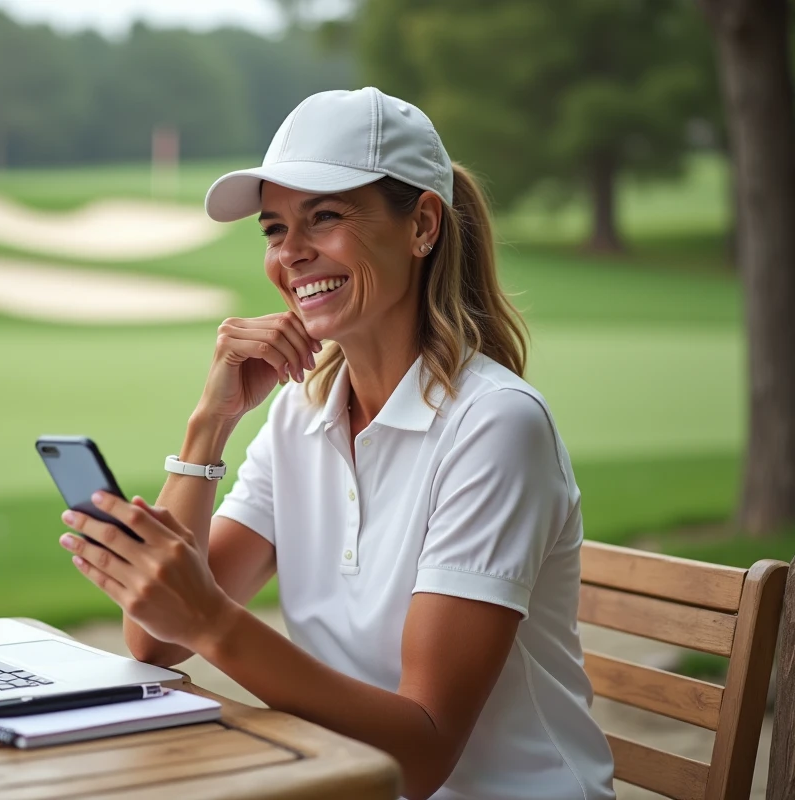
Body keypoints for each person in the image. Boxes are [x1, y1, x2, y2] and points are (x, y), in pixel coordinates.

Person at [56, 87, 616, 800]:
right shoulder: (302, 411)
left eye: (323, 217)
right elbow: (157, 639)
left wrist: (210, 619)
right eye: (273, 229)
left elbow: (422, 753)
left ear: (421, 225)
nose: (291, 252)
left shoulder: (495, 425)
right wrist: (210, 422)